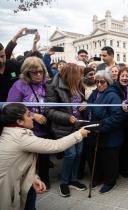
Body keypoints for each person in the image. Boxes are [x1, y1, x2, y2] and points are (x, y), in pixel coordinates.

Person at [0, 103, 89, 210]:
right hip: (7, 188)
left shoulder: (12, 132)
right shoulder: (19, 137)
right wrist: (79, 134)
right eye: (28, 115)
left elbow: (18, 165)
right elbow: (55, 146)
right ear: (19, 122)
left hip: (20, 182)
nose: (32, 117)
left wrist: (33, 178)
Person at [7, 56, 52, 188]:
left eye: (41, 71)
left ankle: (45, 180)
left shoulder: (46, 83)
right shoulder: (19, 85)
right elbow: (11, 107)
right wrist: (32, 115)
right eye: (34, 72)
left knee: (44, 157)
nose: (38, 75)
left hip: (45, 128)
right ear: (27, 72)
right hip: (28, 130)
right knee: (28, 159)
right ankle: (27, 183)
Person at [45, 63, 87, 197]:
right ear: (70, 76)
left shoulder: (79, 84)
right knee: (70, 154)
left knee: (79, 153)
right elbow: (49, 110)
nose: (81, 77)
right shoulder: (54, 86)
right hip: (63, 127)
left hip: (78, 126)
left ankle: (73, 180)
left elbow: (82, 99)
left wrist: (84, 103)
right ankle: (64, 182)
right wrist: (67, 117)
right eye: (78, 75)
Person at [85, 70, 126, 193]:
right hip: (95, 132)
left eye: (102, 82)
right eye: (96, 82)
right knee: (95, 158)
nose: (99, 84)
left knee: (109, 160)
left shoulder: (113, 96)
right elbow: (89, 108)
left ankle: (109, 182)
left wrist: (101, 126)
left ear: (107, 82)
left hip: (109, 135)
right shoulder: (94, 94)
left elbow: (118, 116)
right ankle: (97, 178)